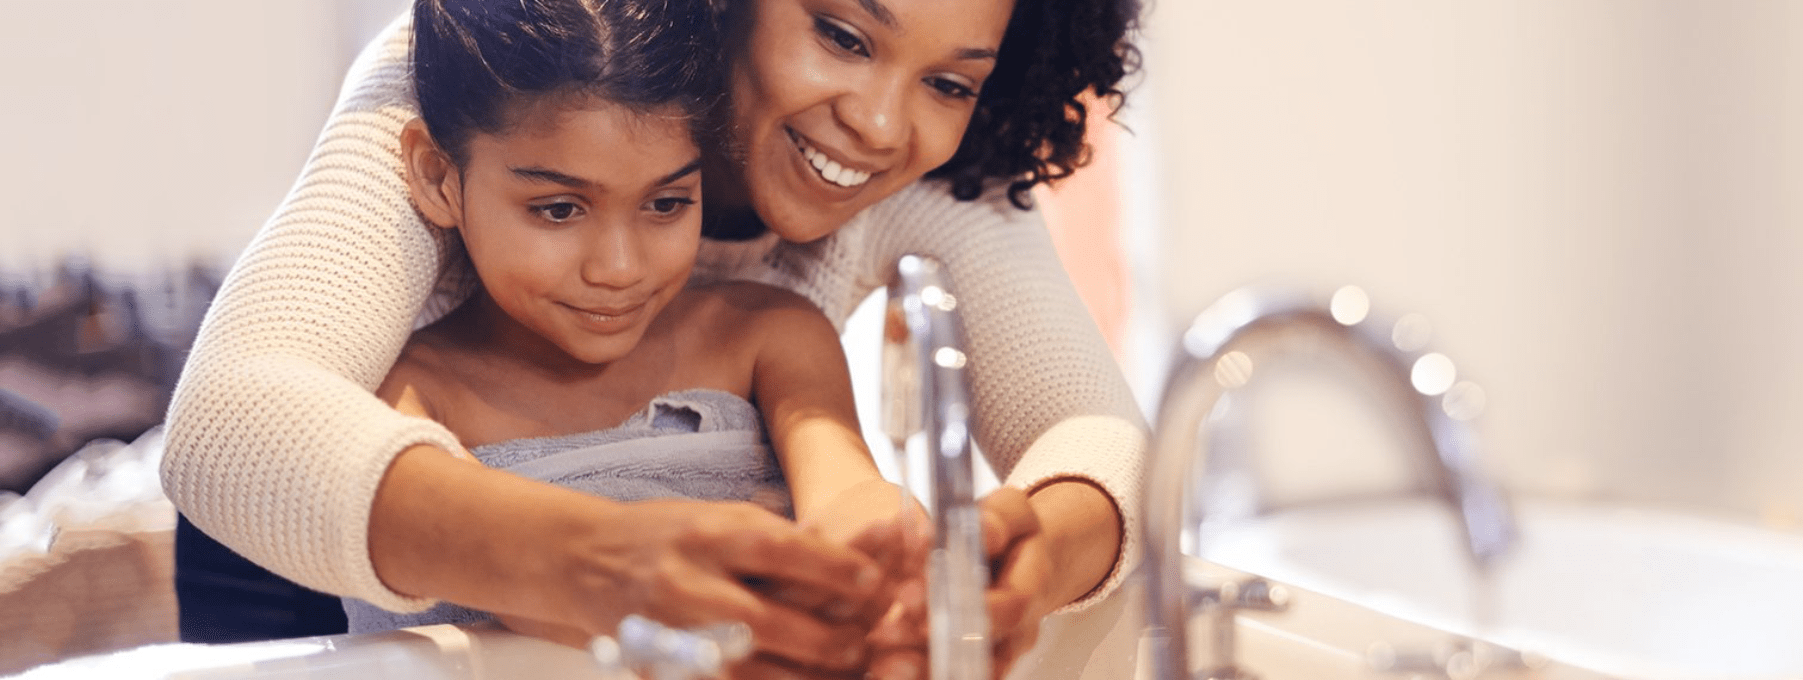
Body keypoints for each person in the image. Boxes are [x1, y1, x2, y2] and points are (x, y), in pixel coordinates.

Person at [161, 0, 1146, 676]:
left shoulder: (891, 214)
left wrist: (1033, 559)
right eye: (843, 35)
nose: (881, 122)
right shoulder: (487, 69)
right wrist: (594, 561)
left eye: (951, 82)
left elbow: (1106, 433)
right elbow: (226, 421)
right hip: (285, 564)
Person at [332, 0, 913, 651]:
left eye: (666, 203)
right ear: (439, 175)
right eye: (558, 210)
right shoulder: (404, 396)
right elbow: (489, 579)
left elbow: (849, 494)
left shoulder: (766, 338)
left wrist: (888, 559)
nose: (618, 267)